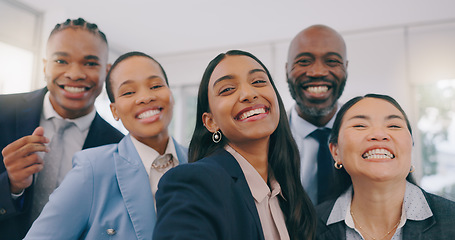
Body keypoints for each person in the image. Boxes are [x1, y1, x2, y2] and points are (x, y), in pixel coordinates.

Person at [153, 50, 316, 240]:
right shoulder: (192, 183)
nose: (249, 94)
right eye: (227, 89)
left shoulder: (288, 193)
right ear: (210, 122)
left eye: (258, 81)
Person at [24, 51, 188, 239]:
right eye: (128, 92)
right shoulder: (92, 170)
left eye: (156, 85)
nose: (145, 97)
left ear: (171, 94)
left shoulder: (200, 161)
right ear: (115, 110)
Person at [0, 18, 124, 239]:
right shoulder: (2, 112)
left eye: (90, 63)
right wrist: (11, 184)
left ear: (107, 71)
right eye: (61, 61)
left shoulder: (118, 147)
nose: (75, 74)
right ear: (45, 65)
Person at [316, 94, 455, 240]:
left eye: (394, 126)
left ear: (411, 146)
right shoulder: (307, 226)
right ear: (335, 151)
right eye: (360, 126)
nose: (379, 134)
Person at [286, 24, 349, 204]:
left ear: (346, 68)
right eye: (304, 61)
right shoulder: (266, 138)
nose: (317, 72)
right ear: (286, 69)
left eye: (332, 61)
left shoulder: (371, 136)